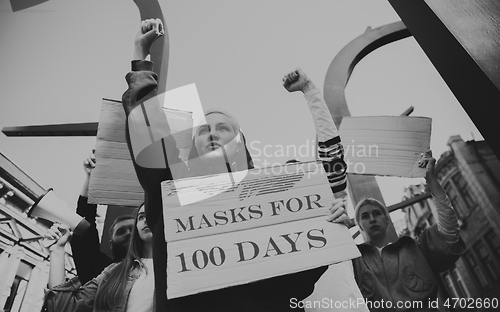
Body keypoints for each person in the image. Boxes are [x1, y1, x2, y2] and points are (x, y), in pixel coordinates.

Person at [121, 19, 356, 311]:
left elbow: (296, 283)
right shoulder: (171, 192)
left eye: (223, 128)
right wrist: (141, 60)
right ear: (191, 149)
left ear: (241, 143)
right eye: (203, 130)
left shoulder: (274, 197)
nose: (213, 134)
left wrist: (328, 227)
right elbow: (150, 135)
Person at [350, 151, 465, 311]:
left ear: (387, 219)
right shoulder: (354, 261)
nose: (372, 219)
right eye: (365, 216)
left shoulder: (416, 248)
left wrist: (432, 181)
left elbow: (449, 233)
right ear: (360, 225)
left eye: (376, 213)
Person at [44, 203, 154, 312]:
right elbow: (64, 308)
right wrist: (57, 250)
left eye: (151, 214)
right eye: (141, 217)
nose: (128, 234)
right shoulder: (112, 272)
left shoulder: (170, 265)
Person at [70, 151, 134, 284]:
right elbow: (84, 227)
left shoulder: (158, 270)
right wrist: (91, 178)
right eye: (121, 231)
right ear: (111, 243)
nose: (128, 233)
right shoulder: (98, 270)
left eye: (133, 230)